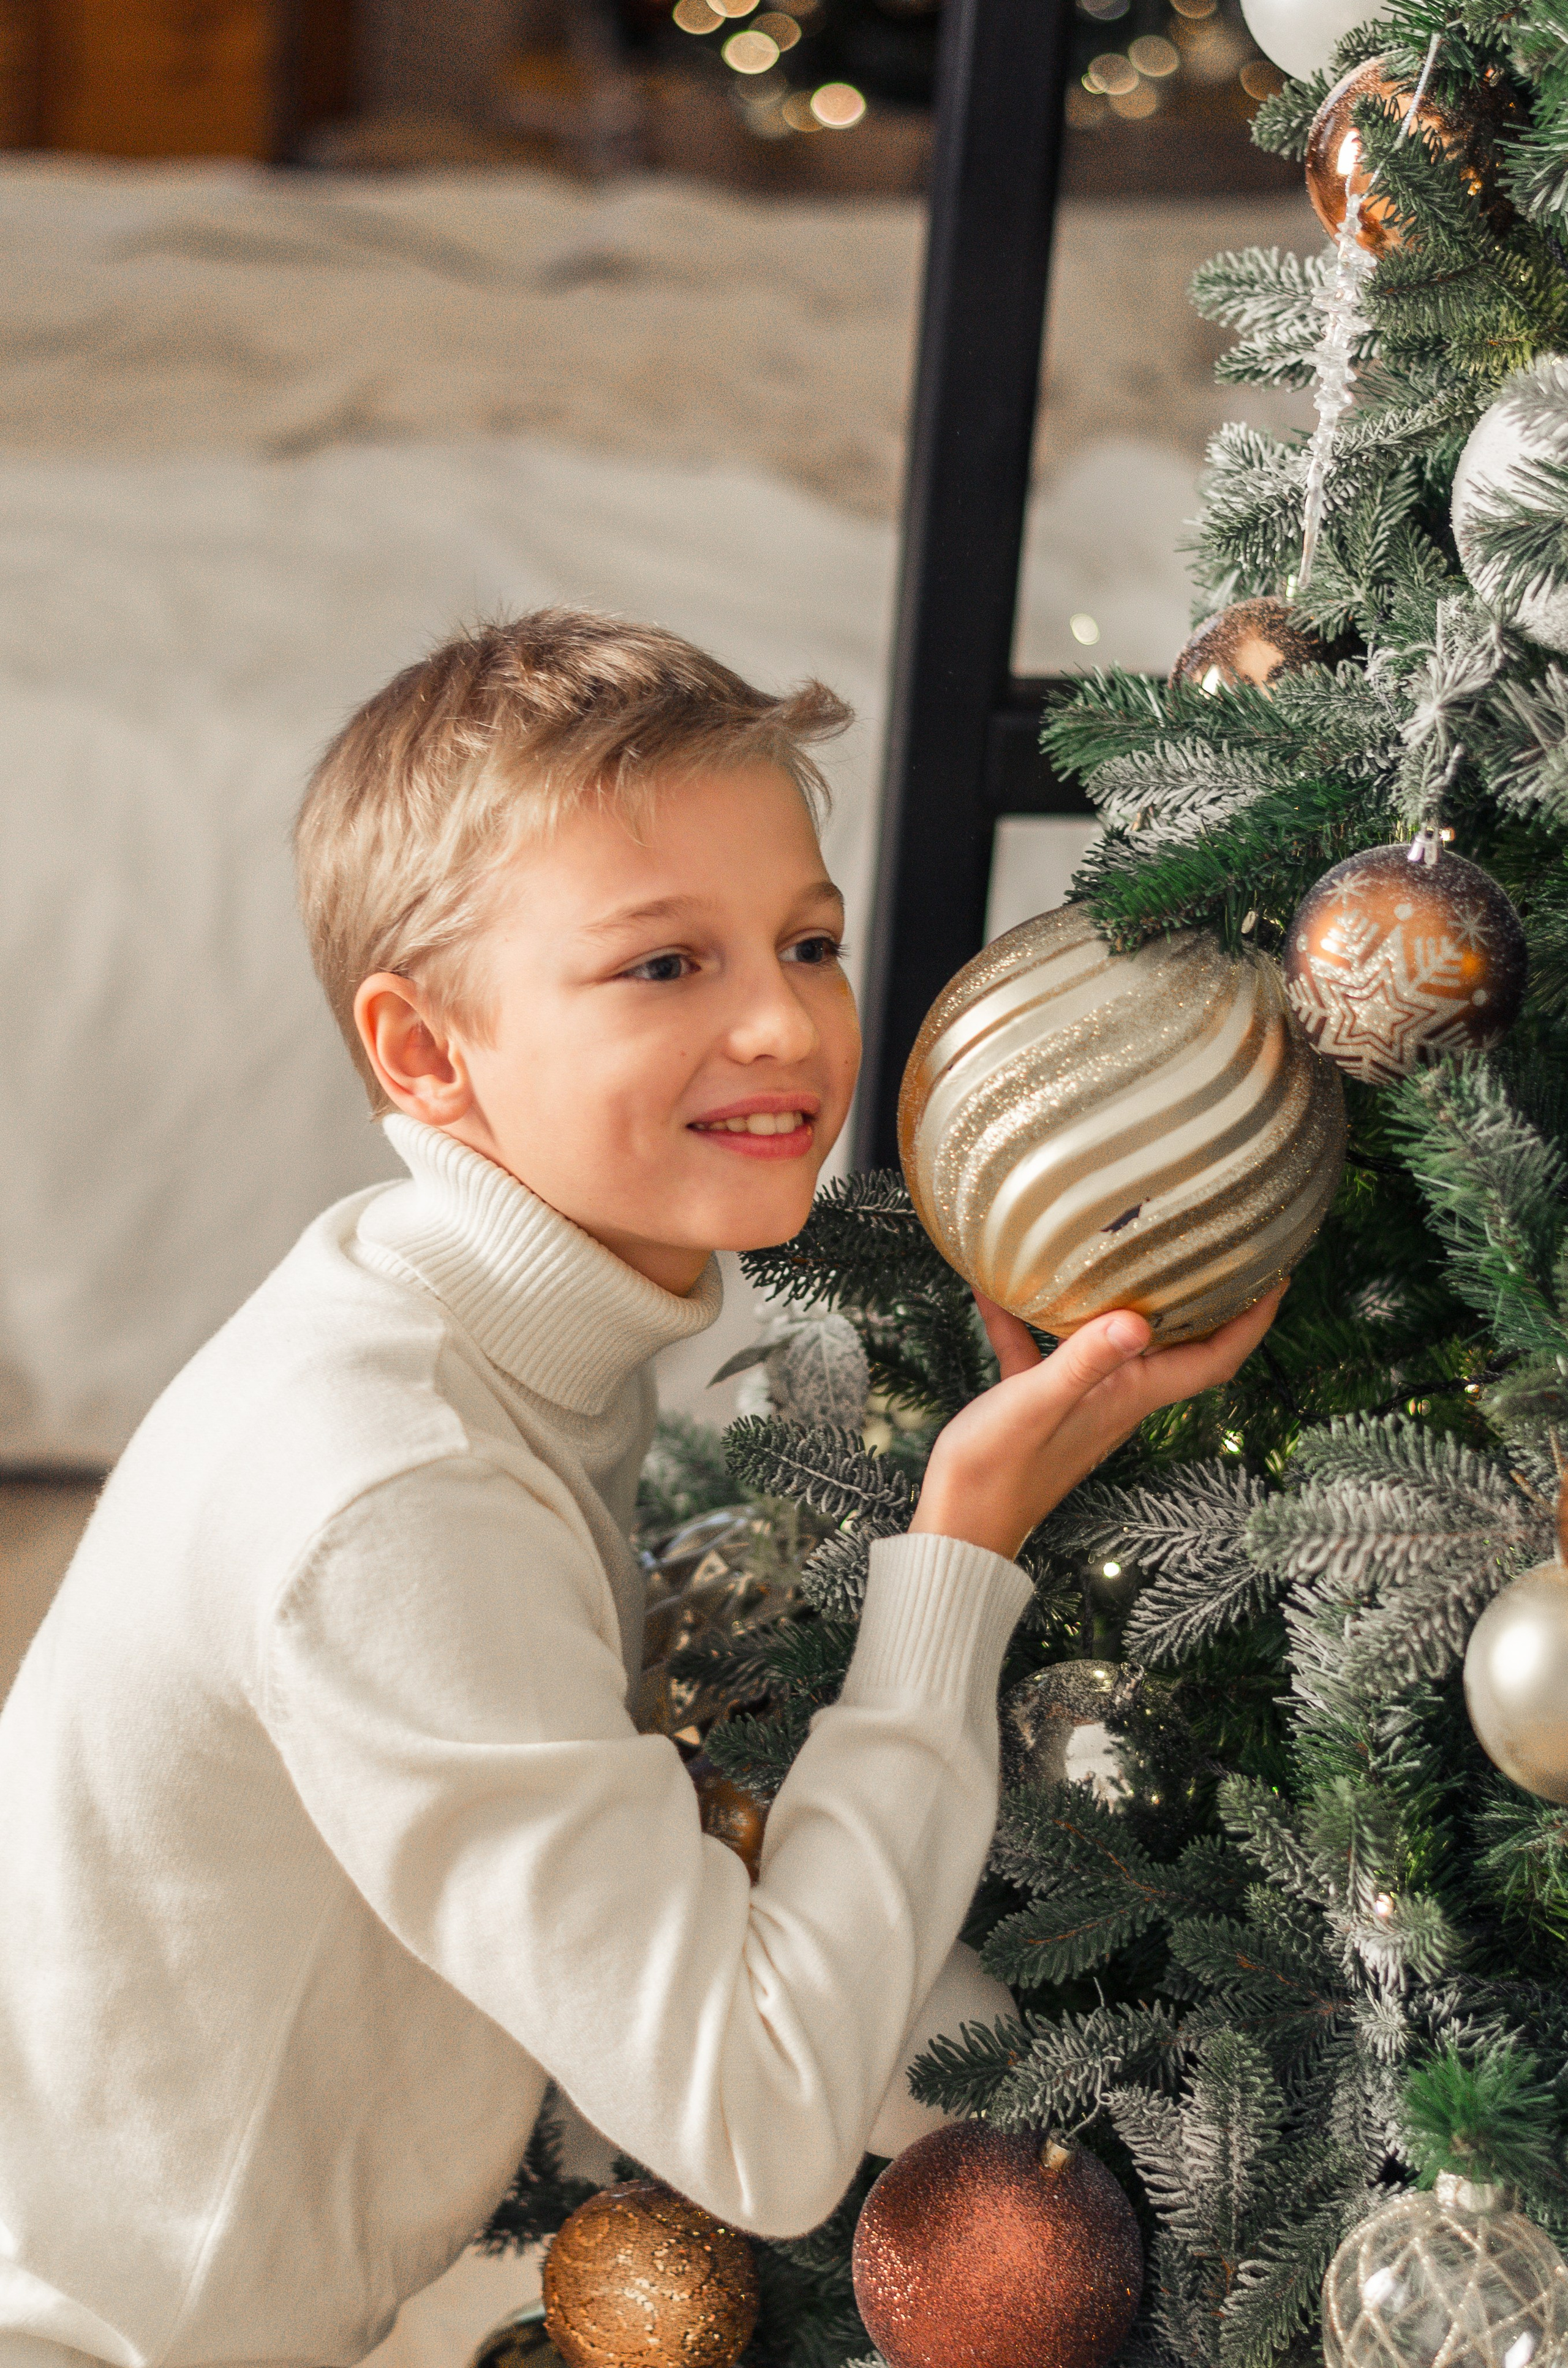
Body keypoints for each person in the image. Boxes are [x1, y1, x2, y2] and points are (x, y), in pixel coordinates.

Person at [0, 611, 1281, 2368]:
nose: (785, 1019)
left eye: (808, 938)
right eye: (663, 964)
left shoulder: (446, 1318)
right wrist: (958, 1546)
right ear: (426, 1053)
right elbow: (749, 2116)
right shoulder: (388, 1485)